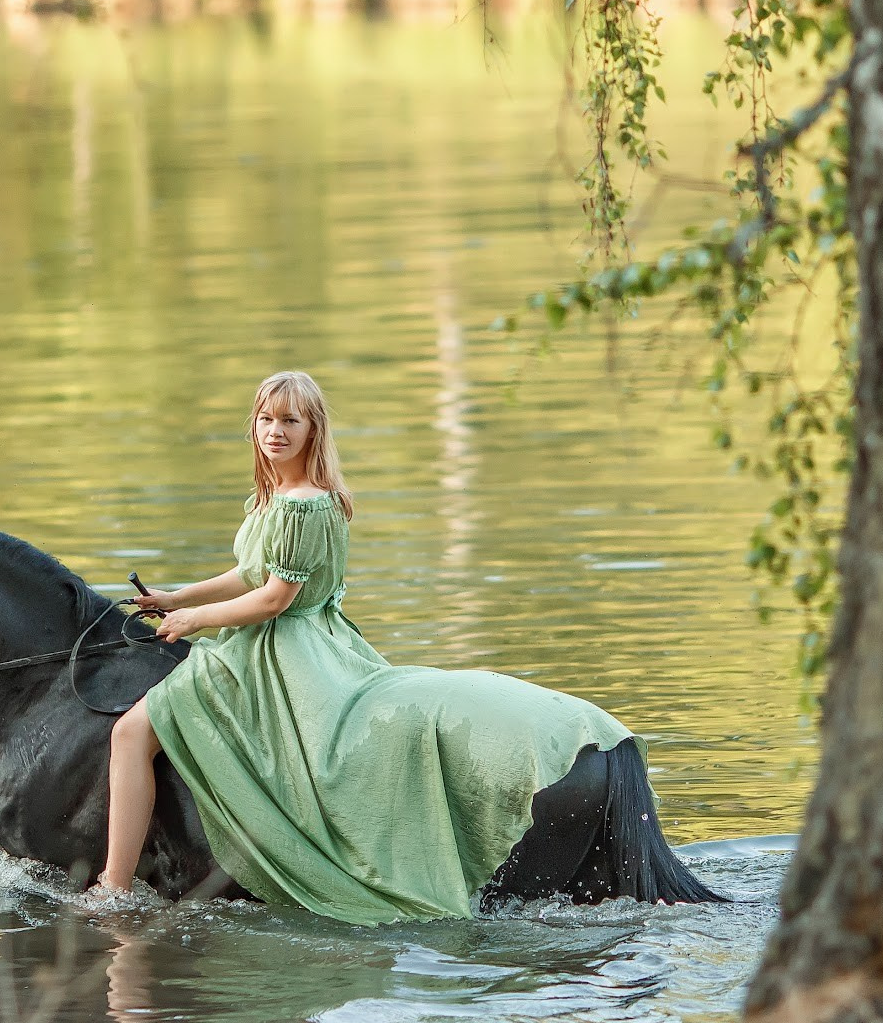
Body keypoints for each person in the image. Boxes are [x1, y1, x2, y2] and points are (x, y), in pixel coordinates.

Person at [91, 370, 658, 922]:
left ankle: (113, 889)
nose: (275, 431)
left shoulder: (302, 504)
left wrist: (195, 620)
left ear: (313, 430)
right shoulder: (281, 497)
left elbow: (273, 601)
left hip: (279, 649)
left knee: (130, 732)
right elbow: (251, 573)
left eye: (290, 420)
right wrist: (176, 596)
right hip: (304, 637)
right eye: (266, 418)